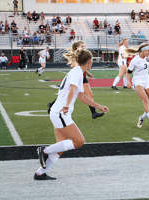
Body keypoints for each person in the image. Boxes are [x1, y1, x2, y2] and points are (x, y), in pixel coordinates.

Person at [34, 48, 109, 180]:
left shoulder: (78, 72)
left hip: (58, 112)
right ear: (89, 61)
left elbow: (81, 96)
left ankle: (40, 173)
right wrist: (67, 105)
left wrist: (99, 106)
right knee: (79, 141)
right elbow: (73, 89)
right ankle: (44, 150)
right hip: (61, 112)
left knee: (60, 148)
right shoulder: (77, 72)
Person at [47, 40, 105, 120]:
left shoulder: (79, 67)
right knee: (69, 92)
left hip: (82, 75)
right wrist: (67, 105)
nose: (84, 47)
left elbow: (81, 67)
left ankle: (93, 112)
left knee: (88, 94)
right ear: (77, 47)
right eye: (82, 46)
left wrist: (87, 72)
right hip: (79, 76)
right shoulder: (78, 59)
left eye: (84, 46)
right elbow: (75, 67)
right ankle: (53, 104)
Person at [125, 43, 149, 129]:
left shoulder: (148, 58)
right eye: (148, 50)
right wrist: (128, 82)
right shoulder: (135, 60)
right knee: (145, 99)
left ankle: (142, 118)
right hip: (138, 82)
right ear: (143, 51)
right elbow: (128, 72)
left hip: (147, 81)